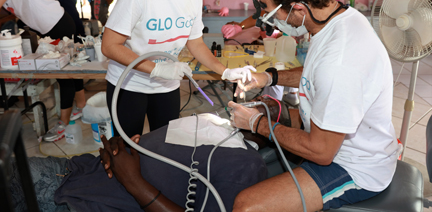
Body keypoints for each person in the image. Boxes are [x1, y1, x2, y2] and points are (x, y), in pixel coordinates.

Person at [226, 0, 400, 211]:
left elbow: (321, 151)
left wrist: (257, 123)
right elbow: (315, 73)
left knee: (247, 205)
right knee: (273, 113)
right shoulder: (339, 19)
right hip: (335, 142)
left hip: (356, 167)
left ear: (298, 7)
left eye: (272, 11)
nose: (270, 20)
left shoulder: (340, 60)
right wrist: (268, 77)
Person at [9, 95, 292, 211]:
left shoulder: (247, 165)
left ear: (272, 132)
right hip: (75, 169)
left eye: (263, 105)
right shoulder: (210, 122)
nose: (251, 101)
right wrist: (124, 145)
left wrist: (132, 180)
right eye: (257, 96)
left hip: (78, 201)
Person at [102, 0, 255, 138]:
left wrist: (225, 72)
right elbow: (109, 46)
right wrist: (156, 69)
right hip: (129, 86)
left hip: (167, 87)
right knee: (128, 152)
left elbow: (196, 43)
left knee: (165, 147)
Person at [0, 0, 86, 141]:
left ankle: (64, 124)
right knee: (66, 71)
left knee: (63, 75)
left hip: (59, 25)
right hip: (49, 29)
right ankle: (81, 106)